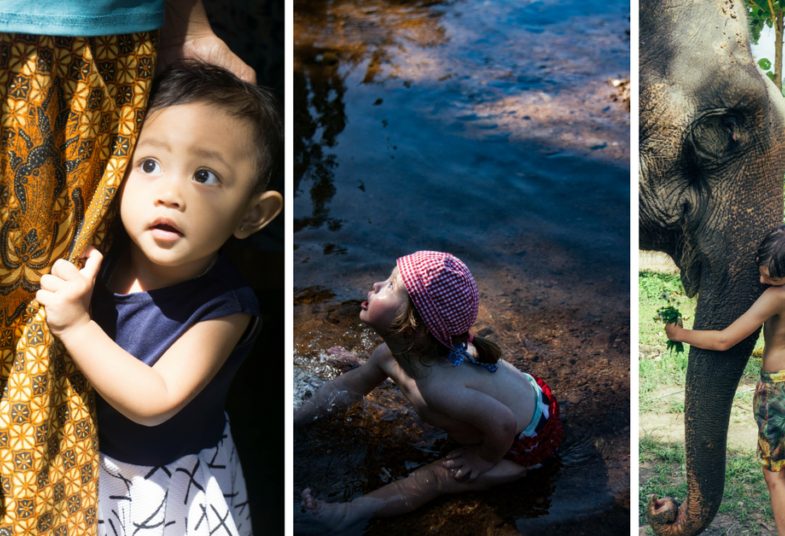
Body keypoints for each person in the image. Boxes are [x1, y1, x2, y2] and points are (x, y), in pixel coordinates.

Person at [35, 62, 283, 535]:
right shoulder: (99, 255)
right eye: (149, 165)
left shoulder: (225, 307)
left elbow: (156, 400)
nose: (169, 193)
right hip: (89, 467)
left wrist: (75, 325)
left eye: (205, 175)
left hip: (167, 486)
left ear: (252, 214)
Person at [295, 251, 563, 532]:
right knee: (370, 375)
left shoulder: (442, 389)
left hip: (522, 443)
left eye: (389, 286)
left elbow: (505, 424)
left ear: (414, 327)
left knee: (438, 477)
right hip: (509, 402)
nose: (376, 284)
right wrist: (297, 417)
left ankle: (350, 512)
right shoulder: (387, 356)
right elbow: (347, 387)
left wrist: (482, 458)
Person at [664, 224, 785, 536]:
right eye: (761, 273)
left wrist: (679, 334)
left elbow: (724, 340)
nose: (763, 281)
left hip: (780, 390)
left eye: (771, 278)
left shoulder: (778, 296)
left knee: (774, 475)